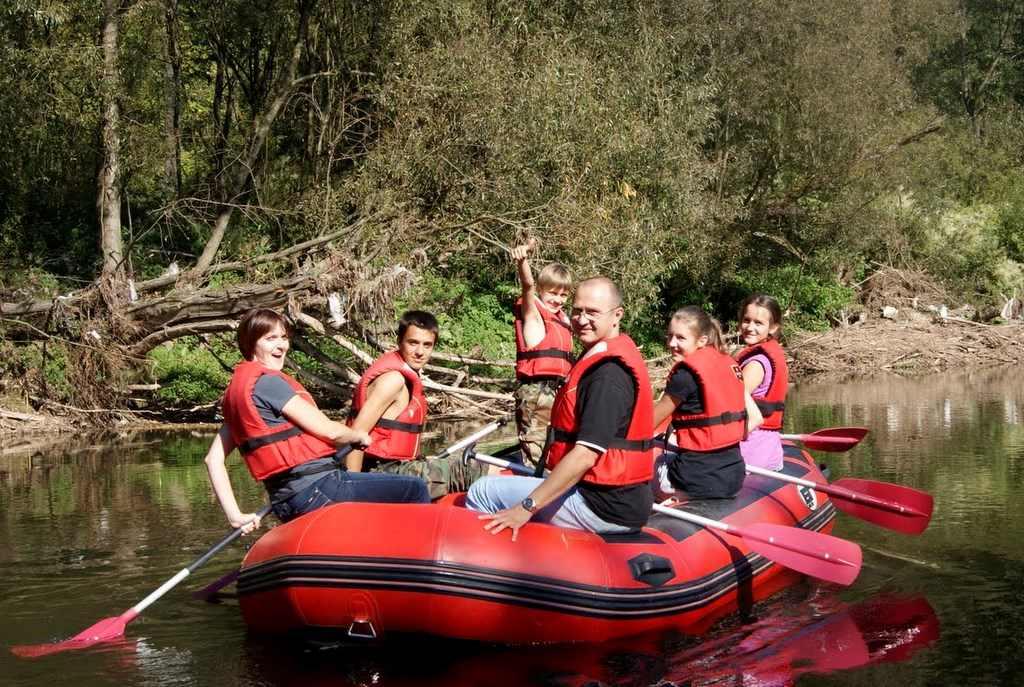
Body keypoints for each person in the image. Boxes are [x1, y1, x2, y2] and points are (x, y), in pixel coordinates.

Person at [204, 308, 429, 535]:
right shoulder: (269, 384)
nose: (281, 345)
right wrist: (359, 435)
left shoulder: (238, 394)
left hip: (285, 501)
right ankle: (418, 557)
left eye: (284, 337)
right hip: (319, 490)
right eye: (271, 339)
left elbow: (213, 459)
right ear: (251, 343)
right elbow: (329, 431)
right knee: (415, 488)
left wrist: (235, 516)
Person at [466, 277, 655, 540]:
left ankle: (486, 571)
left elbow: (585, 456)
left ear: (617, 315)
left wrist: (526, 507)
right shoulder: (602, 358)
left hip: (602, 507)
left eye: (593, 312)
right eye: (577, 310)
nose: (581, 319)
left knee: (482, 491)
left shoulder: (608, 376)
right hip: (610, 499)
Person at [345, 310, 486, 500]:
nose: (420, 352)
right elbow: (355, 437)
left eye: (427, 345)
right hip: (381, 473)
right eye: (413, 343)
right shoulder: (392, 381)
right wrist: (351, 493)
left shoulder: (405, 375)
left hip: (397, 466)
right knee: (471, 468)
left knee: (467, 457)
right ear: (399, 342)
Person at [652, 307, 763, 501]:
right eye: (669, 336)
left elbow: (648, 422)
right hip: (733, 474)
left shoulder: (684, 376)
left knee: (652, 462)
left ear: (702, 340)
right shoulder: (729, 365)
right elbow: (754, 419)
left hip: (696, 480)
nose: (672, 343)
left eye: (680, 338)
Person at [510, 238, 573, 471]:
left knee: (556, 446)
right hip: (536, 392)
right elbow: (527, 286)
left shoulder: (563, 319)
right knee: (536, 451)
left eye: (563, 295)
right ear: (542, 290)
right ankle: (528, 492)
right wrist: (523, 260)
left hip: (558, 391)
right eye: (552, 293)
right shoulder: (534, 315)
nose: (557, 299)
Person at [734, 294, 789, 471]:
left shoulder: (756, 364)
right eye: (746, 320)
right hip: (769, 448)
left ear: (773, 327)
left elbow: (731, 401)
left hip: (749, 452)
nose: (750, 327)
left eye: (758, 323)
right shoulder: (765, 355)